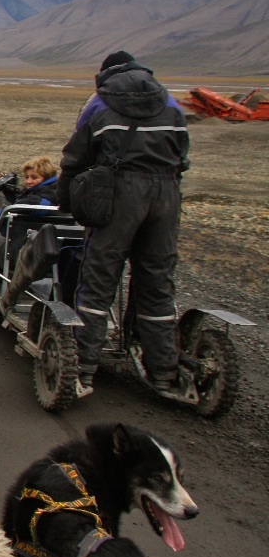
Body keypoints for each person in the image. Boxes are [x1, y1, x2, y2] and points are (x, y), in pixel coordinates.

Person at [56, 51, 189, 398]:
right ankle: (163, 373)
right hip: (167, 194)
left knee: (99, 279)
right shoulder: (170, 101)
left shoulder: (99, 104)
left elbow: (74, 157)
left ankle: (83, 369)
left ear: (105, 74)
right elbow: (182, 154)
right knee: (157, 282)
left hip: (120, 195)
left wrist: (68, 201)